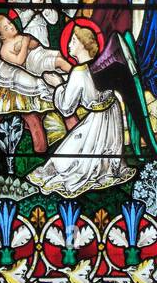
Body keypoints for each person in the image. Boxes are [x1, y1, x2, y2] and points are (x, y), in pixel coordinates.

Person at [27, 22, 136, 197]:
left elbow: (66, 107)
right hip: (111, 114)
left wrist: (57, 85)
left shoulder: (78, 72)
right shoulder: (101, 64)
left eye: (73, 40)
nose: (70, 44)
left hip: (98, 121)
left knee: (63, 163)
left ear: (83, 44)